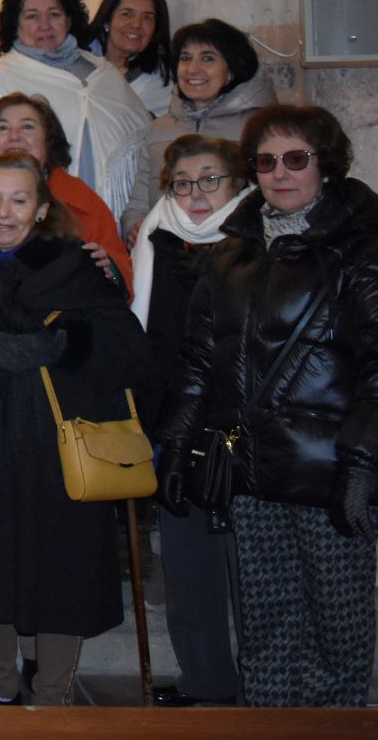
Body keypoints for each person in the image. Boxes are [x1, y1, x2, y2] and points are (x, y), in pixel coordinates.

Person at [156, 105, 378, 708]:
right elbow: (199, 365)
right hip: (254, 473)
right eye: (267, 161)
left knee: (337, 632)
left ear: (326, 165)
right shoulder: (230, 259)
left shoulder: (366, 259)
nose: (281, 173)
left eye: (296, 158)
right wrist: (177, 448)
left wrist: (361, 465)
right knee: (268, 631)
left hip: (332, 475)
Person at [0, 153, 155, 706]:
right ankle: (0, 688)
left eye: (19, 199)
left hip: (58, 439)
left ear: (43, 208)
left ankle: (52, 693)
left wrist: (60, 347)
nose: (5, 212)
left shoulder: (78, 266)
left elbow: (126, 349)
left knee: (62, 563)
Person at [127, 135, 252, 708]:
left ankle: (264, 681)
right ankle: (207, 681)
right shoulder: (155, 237)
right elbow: (145, 332)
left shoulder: (260, 241)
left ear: (237, 184)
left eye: (210, 180)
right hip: (175, 421)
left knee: (250, 569)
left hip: (243, 423)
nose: (196, 195)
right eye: (182, 182)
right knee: (188, 566)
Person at [0, 0, 152, 222]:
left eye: (54, 14)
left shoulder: (102, 72)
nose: (45, 25)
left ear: (69, 19)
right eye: (32, 16)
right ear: (15, 23)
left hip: (110, 216)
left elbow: (142, 136)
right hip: (36, 217)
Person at [0, 92, 134, 291]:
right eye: (2, 128)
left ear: (48, 141)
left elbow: (120, 267)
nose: (14, 136)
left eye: (27, 127)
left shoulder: (83, 201)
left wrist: (109, 269)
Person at [124, 18, 276, 237]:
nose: (192, 69)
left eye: (207, 58)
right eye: (185, 58)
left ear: (232, 70)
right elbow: (138, 204)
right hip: (166, 253)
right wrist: (134, 225)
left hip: (237, 254)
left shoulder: (260, 129)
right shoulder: (157, 129)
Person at [88, 0, 174, 118]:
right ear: (107, 20)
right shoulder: (75, 60)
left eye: (147, 17)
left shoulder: (162, 81)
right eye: (127, 14)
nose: (136, 24)